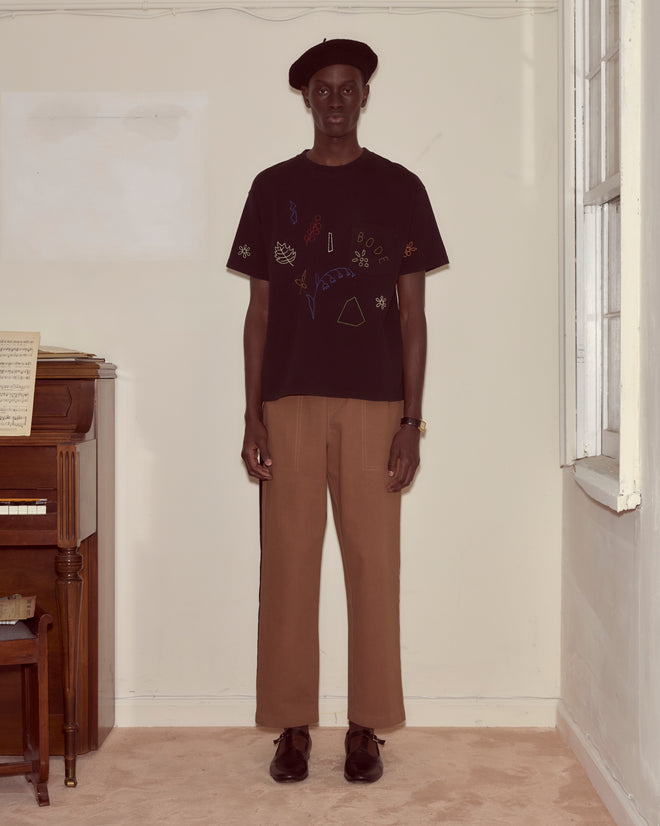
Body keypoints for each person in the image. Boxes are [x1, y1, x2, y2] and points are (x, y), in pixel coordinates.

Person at [226, 38, 448, 784]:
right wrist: (253, 414)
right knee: (286, 567)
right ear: (306, 97)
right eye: (322, 87)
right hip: (286, 400)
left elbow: (414, 317)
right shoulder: (270, 188)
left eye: (347, 87)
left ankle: (365, 728)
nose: (334, 99)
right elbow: (258, 312)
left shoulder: (400, 188)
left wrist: (412, 423)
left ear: (363, 96)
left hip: (375, 401)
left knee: (371, 567)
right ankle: (291, 727)